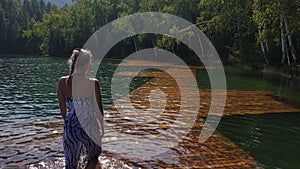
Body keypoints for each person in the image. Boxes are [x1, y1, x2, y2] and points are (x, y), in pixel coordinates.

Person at [57, 48, 104, 169]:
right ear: (86, 64)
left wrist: (70, 124)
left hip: (70, 128)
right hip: (89, 127)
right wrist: (101, 126)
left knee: (71, 164)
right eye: (90, 62)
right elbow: (99, 110)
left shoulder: (62, 82)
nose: (91, 65)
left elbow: (63, 111)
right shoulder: (93, 83)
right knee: (94, 155)